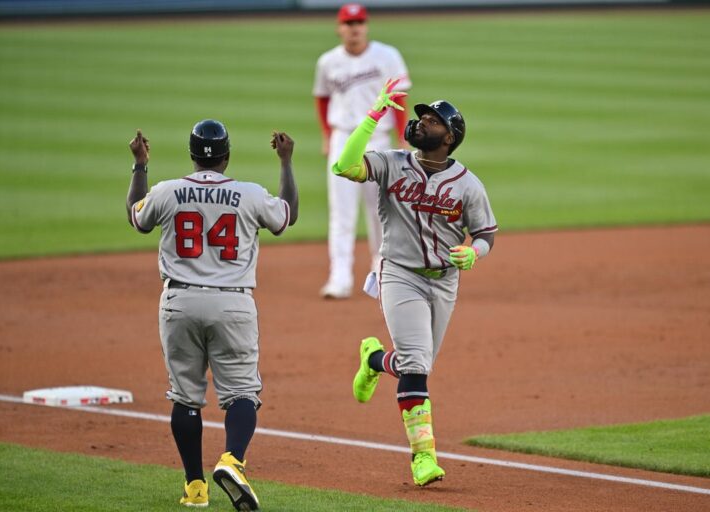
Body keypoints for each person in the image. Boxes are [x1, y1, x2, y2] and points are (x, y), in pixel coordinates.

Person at [125, 120, 298, 511]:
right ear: (227, 156)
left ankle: (195, 488)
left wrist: (140, 165)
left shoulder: (168, 191)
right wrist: (286, 162)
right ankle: (232, 460)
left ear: (191, 154)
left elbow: (136, 218)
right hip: (232, 304)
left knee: (185, 396)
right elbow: (289, 215)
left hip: (179, 303)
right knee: (242, 394)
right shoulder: (249, 194)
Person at [333, 79, 497, 486]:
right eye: (421, 117)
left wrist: (474, 252)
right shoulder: (391, 163)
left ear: (450, 137)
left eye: (432, 121)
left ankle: (373, 360)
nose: (421, 123)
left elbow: (486, 233)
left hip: (444, 282)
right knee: (418, 367)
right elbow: (344, 165)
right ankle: (423, 457)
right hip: (399, 274)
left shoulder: (468, 184)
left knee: (415, 364)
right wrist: (373, 117)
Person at [313, 2, 412, 299]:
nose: (354, 29)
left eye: (358, 23)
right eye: (348, 24)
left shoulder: (388, 56)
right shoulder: (327, 62)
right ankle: (339, 277)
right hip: (344, 139)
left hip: (380, 140)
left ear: (365, 26)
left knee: (381, 211)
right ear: (339, 28)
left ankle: (383, 274)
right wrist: (327, 136)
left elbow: (399, 97)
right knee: (341, 213)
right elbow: (322, 98)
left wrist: (401, 135)